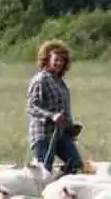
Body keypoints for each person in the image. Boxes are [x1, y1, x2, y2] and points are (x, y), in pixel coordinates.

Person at [26, 39, 84, 174]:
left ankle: (61, 190)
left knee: (76, 165)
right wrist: (51, 116)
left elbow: (63, 108)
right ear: (47, 59)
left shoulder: (59, 82)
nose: (59, 63)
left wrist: (69, 127)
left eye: (62, 60)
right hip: (43, 134)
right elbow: (31, 107)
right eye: (56, 59)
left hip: (60, 134)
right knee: (43, 172)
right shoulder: (40, 79)